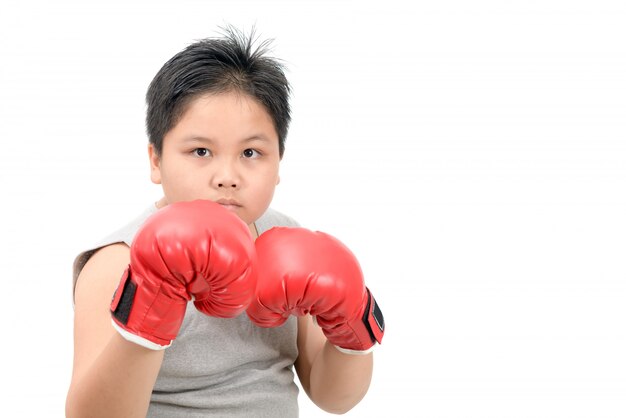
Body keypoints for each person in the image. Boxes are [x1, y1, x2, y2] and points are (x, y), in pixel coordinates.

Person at [65, 27, 384, 418]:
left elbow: (335, 397)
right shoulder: (116, 263)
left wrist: (352, 324)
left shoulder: (288, 243)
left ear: (278, 164)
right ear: (156, 161)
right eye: (201, 151)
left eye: (251, 152)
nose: (227, 176)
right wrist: (149, 313)